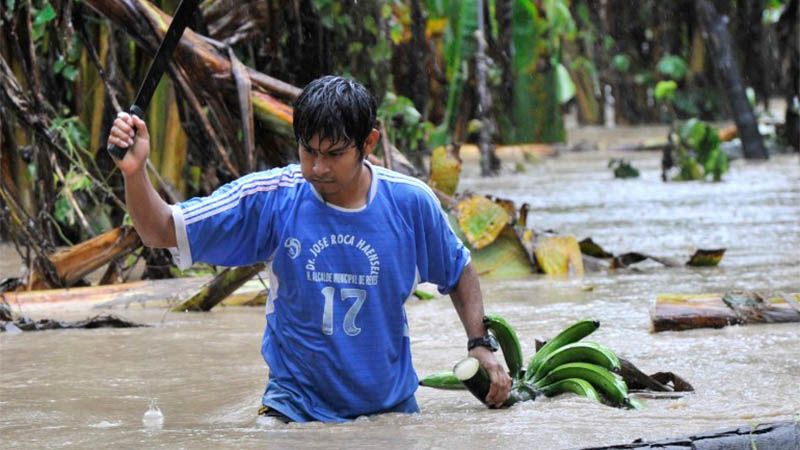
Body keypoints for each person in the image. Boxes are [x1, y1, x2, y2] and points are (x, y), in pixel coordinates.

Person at [106, 75, 511, 422]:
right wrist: (135, 171)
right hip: (293, 411)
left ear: (368, 142)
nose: (317, 168)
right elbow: (159, 230)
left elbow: (458, 270)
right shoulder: (271, 199)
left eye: (334, 154)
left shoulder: (411, 202)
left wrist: (480, 343)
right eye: (308, 151)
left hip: (390, 411)